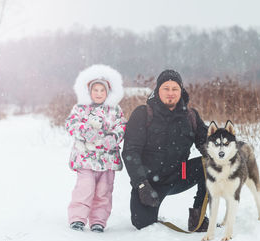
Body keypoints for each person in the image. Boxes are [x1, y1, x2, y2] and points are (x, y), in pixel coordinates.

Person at [122, 69, 209, 231]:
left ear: (181, 90)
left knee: (210, 165)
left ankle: (198, 217)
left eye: (175, 89)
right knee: (142, 223)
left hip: (179, 176)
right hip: (149, 183)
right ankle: (146, 203)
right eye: (166, 88)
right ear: (158, 90)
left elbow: (207, 143)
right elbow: (130, 152)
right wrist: (141, 184)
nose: (171, 93)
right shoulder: (143, 114)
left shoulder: (190, 116)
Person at [65, 64, 126, 232]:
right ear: (89, 91)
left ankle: (98, 220)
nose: (98, 94)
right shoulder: (81, 108)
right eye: (95, 90)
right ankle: (77, 217)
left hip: (107, 159)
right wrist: (84, 131)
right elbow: (71, 123)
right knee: (85, 187)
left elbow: (122, 126)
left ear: (108, 93)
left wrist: (113, 136)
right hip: (85, 157)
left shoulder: (114, 110)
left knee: (103, 191)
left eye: (102, 91)